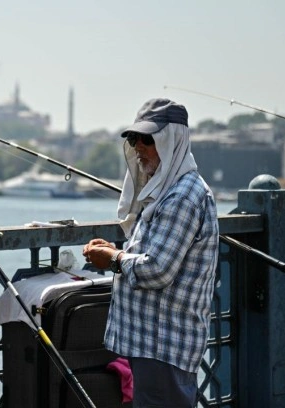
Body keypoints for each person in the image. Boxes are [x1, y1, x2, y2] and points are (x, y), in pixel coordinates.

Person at [83, 98, 219, 407]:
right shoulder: (167, 191)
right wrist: (116, 252)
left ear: (172, 141)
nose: (139, 148)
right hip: (154, 344)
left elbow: (157, 269)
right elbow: (154, 253)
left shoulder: (182, 196)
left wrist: (114, 259)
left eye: (148, 139)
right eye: (134, 139)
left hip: (164, 346)